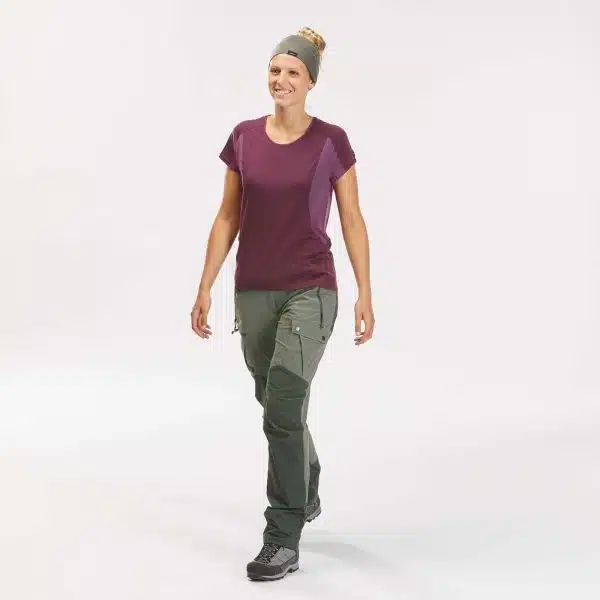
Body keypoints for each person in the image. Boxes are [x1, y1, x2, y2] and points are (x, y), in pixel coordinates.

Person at [190, 26, 375, 581]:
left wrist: (366, 291)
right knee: (274, 404)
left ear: (311, 81)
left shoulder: (331, 142)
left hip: (311, 289)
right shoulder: (244, 138)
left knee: (284, 404)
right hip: (254, 289)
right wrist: (205, 285)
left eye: (293, 72)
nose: (281, 79)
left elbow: (351, 219)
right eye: (275, 70)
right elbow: (228, 215)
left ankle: (282, 536)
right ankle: (306, 478)